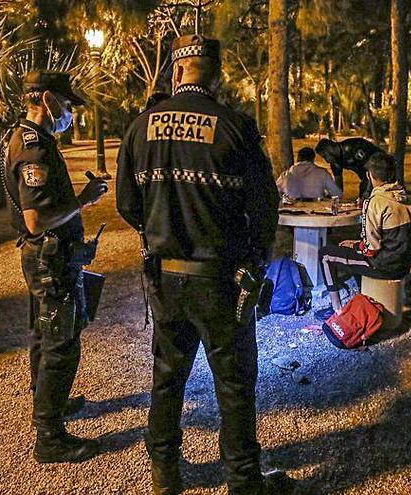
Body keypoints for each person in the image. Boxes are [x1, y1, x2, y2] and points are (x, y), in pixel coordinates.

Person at [116, 34, 293, 495]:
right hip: (221, 280)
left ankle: (165, 475)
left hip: (166, 276)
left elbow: (127, 204)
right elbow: (265, 203)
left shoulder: (140, 127)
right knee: (234, 384)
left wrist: (160, 231)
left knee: (167, 378)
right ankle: (242, 481)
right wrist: (254, 256)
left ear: (176, 72)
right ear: (216, 76)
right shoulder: (234, 126)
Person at [1, 71, 110, 463]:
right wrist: (84, 200)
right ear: (47, 100)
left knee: (43, 334)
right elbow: (35, 220)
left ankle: (48, 402)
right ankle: (50, 436)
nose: (69, 114)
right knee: (61, 342)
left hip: (47, 256)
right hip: (50, 257)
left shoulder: (32, 139)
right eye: (66, 104)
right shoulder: (34, 148)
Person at [318, 152, 411, 316]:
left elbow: (371, 249)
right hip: (405, 262)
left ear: (369, 175)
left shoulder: (375, 201)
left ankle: (337, 309)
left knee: (325, 254)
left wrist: (356, 246)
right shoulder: (406, 198)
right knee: (352, 251)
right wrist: (356, 245)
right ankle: (360, 295)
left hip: (385, 266)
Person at [315, 137, 383, 199]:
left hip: (382, 170)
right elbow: (338, 183)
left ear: (329, 149)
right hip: (368, 177)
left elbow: (371, 168)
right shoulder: (335, 162)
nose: (326, 160)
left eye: (325, 156)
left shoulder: (353, 147)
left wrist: (367, 193)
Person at [276, 146, 342, 199]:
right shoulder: (322, 173)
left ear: (298, 158)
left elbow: (274, 191)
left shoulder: (286, 175)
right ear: (313, 159)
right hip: (316, 212)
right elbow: (337, 194)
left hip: (291, 212)